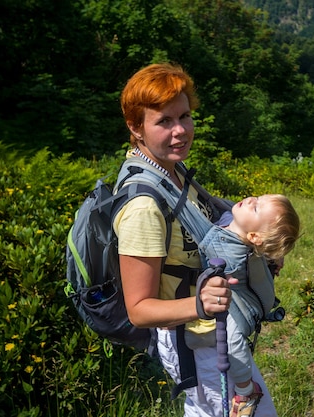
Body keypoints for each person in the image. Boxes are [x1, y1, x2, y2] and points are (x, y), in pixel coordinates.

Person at [113, 62, 280, 417]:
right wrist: (200, 304)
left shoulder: (171, 172)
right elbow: (139, 309)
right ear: (135, 127)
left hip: (211, 337)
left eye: (184, 116)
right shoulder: (143, 206)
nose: (180, 131)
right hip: (196, 343)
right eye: (164, 121)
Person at [188, 194, 300, 417]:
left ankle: (245, 389)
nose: (250, 200)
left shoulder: (231, 252)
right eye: (257, 198)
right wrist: (272, 255)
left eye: (256, 208)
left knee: (232, 341)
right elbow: (221, 205)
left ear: (254, 237)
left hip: (236, 305)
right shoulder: (236, 223)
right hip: (249, 294)